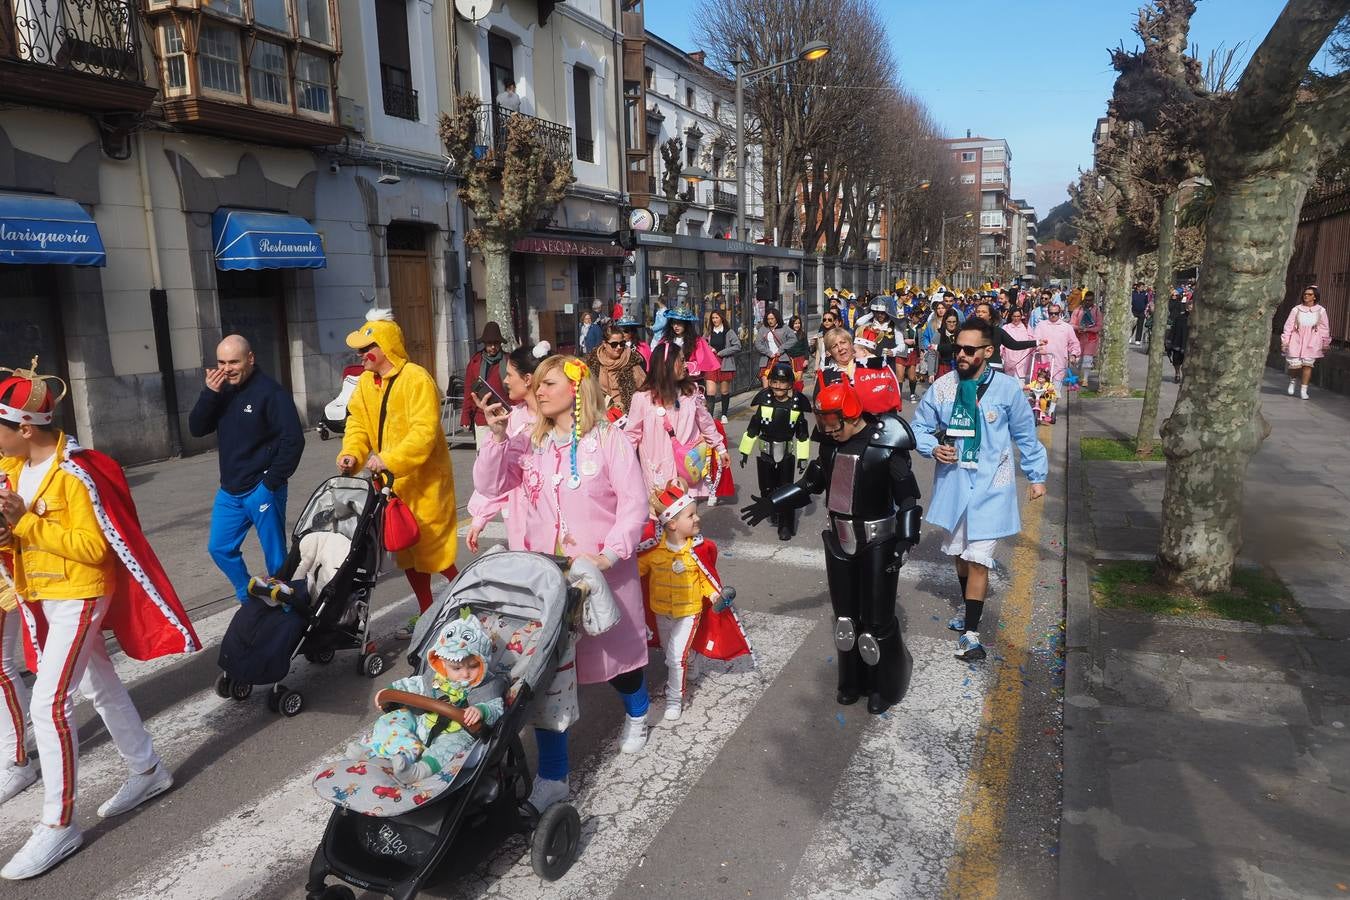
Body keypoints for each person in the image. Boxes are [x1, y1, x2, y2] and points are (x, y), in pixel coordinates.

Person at [0, 360, 199, 879]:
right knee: (100, 688)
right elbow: (20, 536)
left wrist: (24, 522)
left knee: (49, 705)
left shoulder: (75, 472)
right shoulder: (18, 470)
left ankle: (58, 824)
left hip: (81, 595)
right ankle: (148, 769)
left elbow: (94, 549)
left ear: (24, 427)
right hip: (47, 594)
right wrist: (9, 533)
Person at [472, 355, 652, 811]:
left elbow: (634, 505)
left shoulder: (608, 440)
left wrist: (608, 554)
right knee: (544, 676)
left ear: (576, 388)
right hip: (545, 580)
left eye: (549, 383)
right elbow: (491, 484)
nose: (539, 390)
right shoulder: (528, 441)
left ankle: (638, 712)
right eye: (538, 385)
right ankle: (553, 775)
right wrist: (495, 438)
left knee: (617, 662)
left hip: (599, 577)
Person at [740, 381, 922, 715]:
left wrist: (906, 539)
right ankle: (850, 681)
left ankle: (882, 685)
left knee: (877, 622)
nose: (829, 432)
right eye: (824, 425)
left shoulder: (887, 442)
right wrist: (774, 502)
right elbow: (811, 483)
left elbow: (907, 496)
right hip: (839, 538)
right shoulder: (829, 444)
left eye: (834, 425)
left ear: (852, 414)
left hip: (878, 540)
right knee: (845, 620)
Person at [910, 318, 1048, 664]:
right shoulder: (943, 387)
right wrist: (932, 447)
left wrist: (1036, 475)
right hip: (955, 484)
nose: (961, 354)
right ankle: (968, 604)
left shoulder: (1006, 389)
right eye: (957, 348)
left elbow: (1025, 435)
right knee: (960, 554)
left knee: (978, 559)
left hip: (991, 487)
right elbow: (920, 428)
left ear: (988, 352)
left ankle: (971, 633)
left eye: (969, 350)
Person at [338, 310, 458, 628]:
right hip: (391, 485)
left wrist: (389, 459)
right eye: (360, 350)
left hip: (427, 481)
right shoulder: (364, 383)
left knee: (434, 552)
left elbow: (425, 432)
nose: (361, 355)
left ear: (386, 347)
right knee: (406, 552)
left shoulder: (417, 379)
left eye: (366, 349)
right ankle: (428, 611)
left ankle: (464, 603)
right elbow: (358, 424)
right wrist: (352, 453)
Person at [188, 335, 303, 603]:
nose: (227, 368)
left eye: (234, 362)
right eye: (221, 362)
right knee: (219, 548)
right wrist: (210, 394)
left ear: (250, 359)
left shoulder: (271, 392)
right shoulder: (221, 391)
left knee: (276, 559)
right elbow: (196, 428)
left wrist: (271, 483)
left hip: (262, 488)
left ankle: (288, 611)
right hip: (230, 491)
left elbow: (294, 440)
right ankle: (248, 597)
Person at [345, 615, 505, 784]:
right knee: (394, 719)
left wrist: (481, 710)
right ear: (442, 663)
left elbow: (496, 706)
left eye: (473, 666)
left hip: (455, 731)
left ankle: (418, 771)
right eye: (456, 668)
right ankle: (374, 750)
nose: (465, 674)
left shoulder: (486, 685)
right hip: (423, 720)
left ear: (484, 661)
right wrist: (390, 692)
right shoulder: (434, 678)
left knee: (449, 747)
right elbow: (414, 684)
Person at [637, 480, 741, 721]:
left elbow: (704, 578)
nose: (697, 519)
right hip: (661, 611)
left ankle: (675, 698)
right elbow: (635, 572)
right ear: (672, 524)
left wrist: (713, 594)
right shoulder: (654, 551)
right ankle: (691, 659)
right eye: (691, 515)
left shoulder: (696, 550)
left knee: (674, 657)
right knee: (672, 651)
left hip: (689, 612)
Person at [466, 342, 550, 553]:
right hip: (520, 519)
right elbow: (496, 477)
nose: (504, 381)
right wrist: (479, 518)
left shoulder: (562, 421)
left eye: (510, 374)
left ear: (528, 379)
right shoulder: (512, 420)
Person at [623, 342, 729, 500]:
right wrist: (620, 462)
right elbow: (632, 434)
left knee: (686, 516)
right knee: (664, 517)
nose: (686, 365)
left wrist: (720, 449)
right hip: (657, 471)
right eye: (681, 360)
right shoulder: (642, 398)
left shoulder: (690, 392)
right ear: (666, 364)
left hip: (687, 467)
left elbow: (706, 423)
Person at [738, 361, 812, 541]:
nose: (778, 386)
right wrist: (744, 452)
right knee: (767, 488)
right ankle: (772, 508)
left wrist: (803, 458)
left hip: (786, 453)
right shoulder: (764, 402)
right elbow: (752, 429)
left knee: (786, 489)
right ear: (769, 382)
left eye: (783, 382)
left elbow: (802, 435)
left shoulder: (796, 404)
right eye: (775, 382)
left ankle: (786, 524)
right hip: (766, 454)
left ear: (790, 384)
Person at [815, 327, 902, 414]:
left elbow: (887, 398)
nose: (840, 348)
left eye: (843, 342)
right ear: (829, 352)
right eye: (834, 346)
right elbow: (819, 407)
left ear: (851, 344)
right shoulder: (825, 376)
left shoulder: (870, 366)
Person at [461, 322, 509, 447]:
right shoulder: (475, 362)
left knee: (505, 454)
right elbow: (468, 390)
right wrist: (465, 415)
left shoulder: (508, 361)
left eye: (496, 344)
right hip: (482, 416)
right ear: (484, 344)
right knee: (483, 455)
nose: (493, 347)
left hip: (504, 415)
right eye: (489, 344)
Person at [585, 326, 647, 420]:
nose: (619, 347)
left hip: (626, 418)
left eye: (622, 343)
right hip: (599, 416)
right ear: (604, 344)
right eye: (614, 344)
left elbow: (645, 391)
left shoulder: (632, 362)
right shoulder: (592, 362)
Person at [1281, 285, 1331, 400]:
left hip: (1312, 341)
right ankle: (1292, 381)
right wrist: (1285, 341)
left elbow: (1324, 328)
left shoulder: (1321, 311)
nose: (1306, 296)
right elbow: (1288, 326)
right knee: (1294, 366)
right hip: (1296, 340)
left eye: (1309, 294)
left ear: (1314, 297)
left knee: (1307, 366)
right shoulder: (1296, 309)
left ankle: (1304, 389)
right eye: (1305, 294)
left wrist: (1325, 342)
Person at [972, 302, 1039, 374]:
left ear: (990, 315)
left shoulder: (998, 331)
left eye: (984, 312)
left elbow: (1014, 344)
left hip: (994, 367)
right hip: (975, 367)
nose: (980, 314)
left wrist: (1036, 342)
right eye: (978, 312)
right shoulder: (969, 331)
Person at [1031, 301, 1081, 396]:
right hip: (1043, 364)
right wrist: (1038, 348)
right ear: (1047, 313)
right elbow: (1035, 340)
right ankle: (1043, 409)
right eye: (1051, 313)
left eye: (1056, 313)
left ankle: (1052, 410)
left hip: (1060, 363)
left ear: (1060, 313)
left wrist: (1074, 354)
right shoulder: (1041, 325)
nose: (1053, 315)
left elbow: (1074, 343)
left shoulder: (1067, 327)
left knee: (1055, 392)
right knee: (1042, 392)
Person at [703, 309, 741, 422]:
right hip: (711, 364)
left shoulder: (729, 332)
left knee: (724, 390)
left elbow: (737, 346)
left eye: (716, 317)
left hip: (725, 363)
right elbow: (702, 343)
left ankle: (724, 414)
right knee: (710, 391)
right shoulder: (709, 332)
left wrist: (721, 352)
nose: (714, 320)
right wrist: (709, 348)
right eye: (713, 318)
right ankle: (710, 417)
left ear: (721, 318)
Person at [754, 308, 794, 387]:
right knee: (766, 386)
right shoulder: (763, 329)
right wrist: (768, 353)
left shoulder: (784, 328)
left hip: (781, 359)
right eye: (768, 319)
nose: (770, 321)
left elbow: (793, 339)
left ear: (777, 318)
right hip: (767, 360)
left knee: (779, 385)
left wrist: (781, 350)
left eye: (772, 318)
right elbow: (757, 343)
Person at [1070, 292, 1102, 384]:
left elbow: (1099, 326)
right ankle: (1079, 376)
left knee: (1088, 359)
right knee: (1078, 359)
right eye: (1086, 300)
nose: (1088, 302)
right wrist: (1078, 328)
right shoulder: (1077, 310)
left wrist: (1088, 329)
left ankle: (1085, 379)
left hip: (1091, 339)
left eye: (1090, 300)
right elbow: (1071, 324)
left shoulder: (1096, 311)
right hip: (1078, 338)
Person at [1000, 306, 1037, 381]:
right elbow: (1001, 345)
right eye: (1014, 316)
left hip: (1023, 361)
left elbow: (1032, 341)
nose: (1016, 318)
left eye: (1018, 316)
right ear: (1011, 316)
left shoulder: (1027, 328)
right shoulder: (1006, 327)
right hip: (1009, 361)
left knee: (1021, 385)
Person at [1165, 292, 1190, 385]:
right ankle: (1177, 373)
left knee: (1187, 361)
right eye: (1189, 306)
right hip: (1178, 342)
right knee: (1176, 361)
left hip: (1188, 343)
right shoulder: (1179, 318)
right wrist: (1169, 341)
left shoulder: (1195, 319)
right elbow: (1173, 329)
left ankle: (1185, 375)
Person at [786, 315, 811, 388]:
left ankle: (797, 394)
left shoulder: (802, 334)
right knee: (791, 379)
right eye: (795, 323)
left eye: (798, 323)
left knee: (799, 379)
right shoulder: (787, 334)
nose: (797, 325)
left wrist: (806, 359)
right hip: (790, 360)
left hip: (800, 359)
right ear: (791, 324)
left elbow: (806, 347)